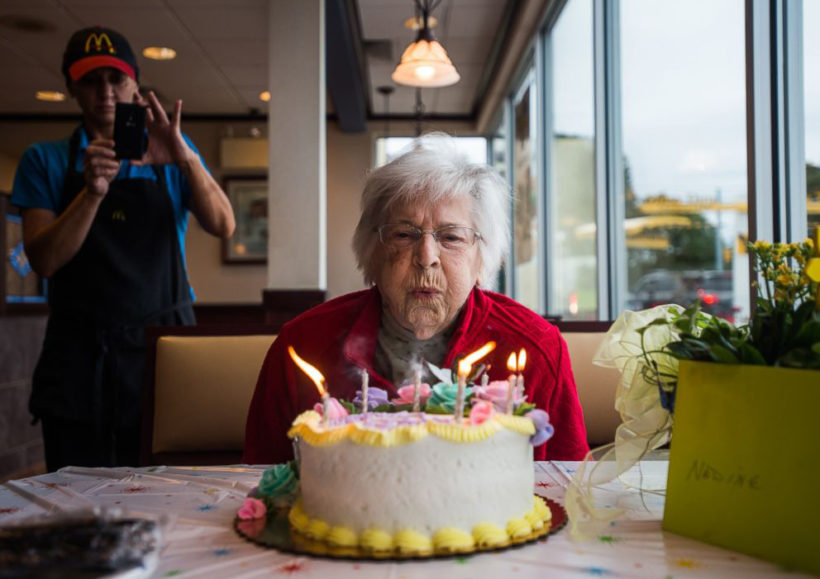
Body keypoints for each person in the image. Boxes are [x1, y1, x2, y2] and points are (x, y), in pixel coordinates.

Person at [243, 134, 588, 464]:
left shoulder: (536, 349)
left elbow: (566, 483)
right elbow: (259, 480)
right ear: (371, 252)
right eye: (404, 234)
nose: (426, 257)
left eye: (451, 237)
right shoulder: (301, 346)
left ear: (483, 259)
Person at [11, 26, 235, 471]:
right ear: (71, 88)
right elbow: (45, 259)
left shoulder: (173, 152)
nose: (106, 93)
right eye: (91, 80)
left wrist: (185, 158)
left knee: (166, 491)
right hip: (79, 358)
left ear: (135, 83)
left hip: (162, 353)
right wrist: (92, 192)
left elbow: (224, 224)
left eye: (116, 79)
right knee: (73, 498)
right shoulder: (46, 160)